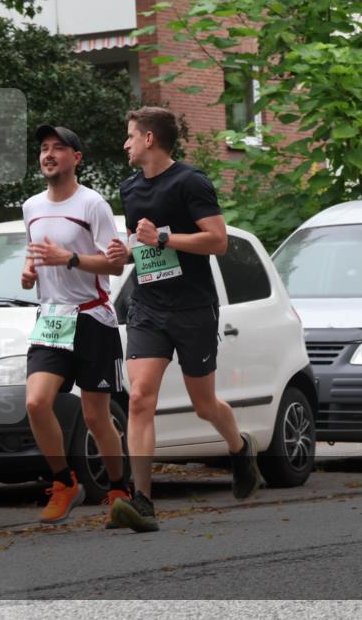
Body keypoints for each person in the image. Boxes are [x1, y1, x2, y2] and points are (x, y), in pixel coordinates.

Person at [106, 106, 262, 533]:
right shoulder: (130, 188)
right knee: (139, 398)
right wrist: (124, 255)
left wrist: (163, 236)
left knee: (203, 403)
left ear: (150, 139)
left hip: (193, 307)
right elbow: (143, 248)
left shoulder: (191, 182)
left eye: (130, 136)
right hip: (148, 306)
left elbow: (218, 241)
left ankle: (238, 448)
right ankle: (143, 501)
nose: (126, 144)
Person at [22, 124, 132, 525]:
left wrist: (68, 259)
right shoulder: (31, 206)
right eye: (44, 149)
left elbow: (116, 263)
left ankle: (121, 489)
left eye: (58, 148)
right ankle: (64, 482)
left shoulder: (93, 205)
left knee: (95, 416)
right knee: (35, 402)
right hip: (51, 319)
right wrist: (29, 270)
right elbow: (34, 253)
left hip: (92, 317)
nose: (48, 154)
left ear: (76, 158)